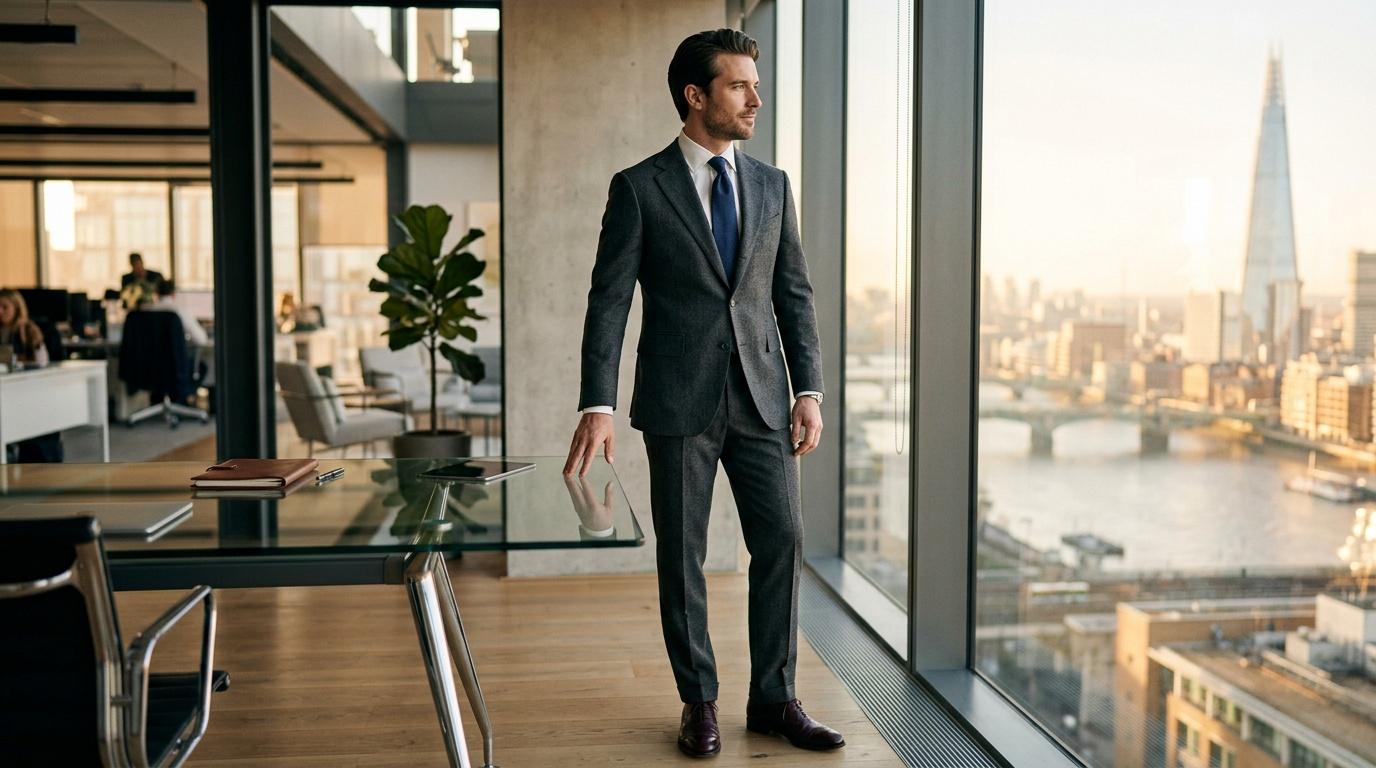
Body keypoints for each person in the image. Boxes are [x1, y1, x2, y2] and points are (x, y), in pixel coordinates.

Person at [563, 29, 840, 758]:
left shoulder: (772, 185)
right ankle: (699, 701)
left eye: (756, 85)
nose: (756, 99)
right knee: (682, 555)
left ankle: (775, 698)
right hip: (678, 400)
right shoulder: (639, 187)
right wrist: (597, 404)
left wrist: (808, 389)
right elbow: (608, 301)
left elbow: (793, 294)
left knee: (782, 540)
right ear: (696, 95)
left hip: (763, 396)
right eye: (739, 85)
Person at [0, 288, 49, 366]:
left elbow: (42, 361)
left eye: (5, 307)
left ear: (17, 308)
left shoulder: (28, 329)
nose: (0, 311)